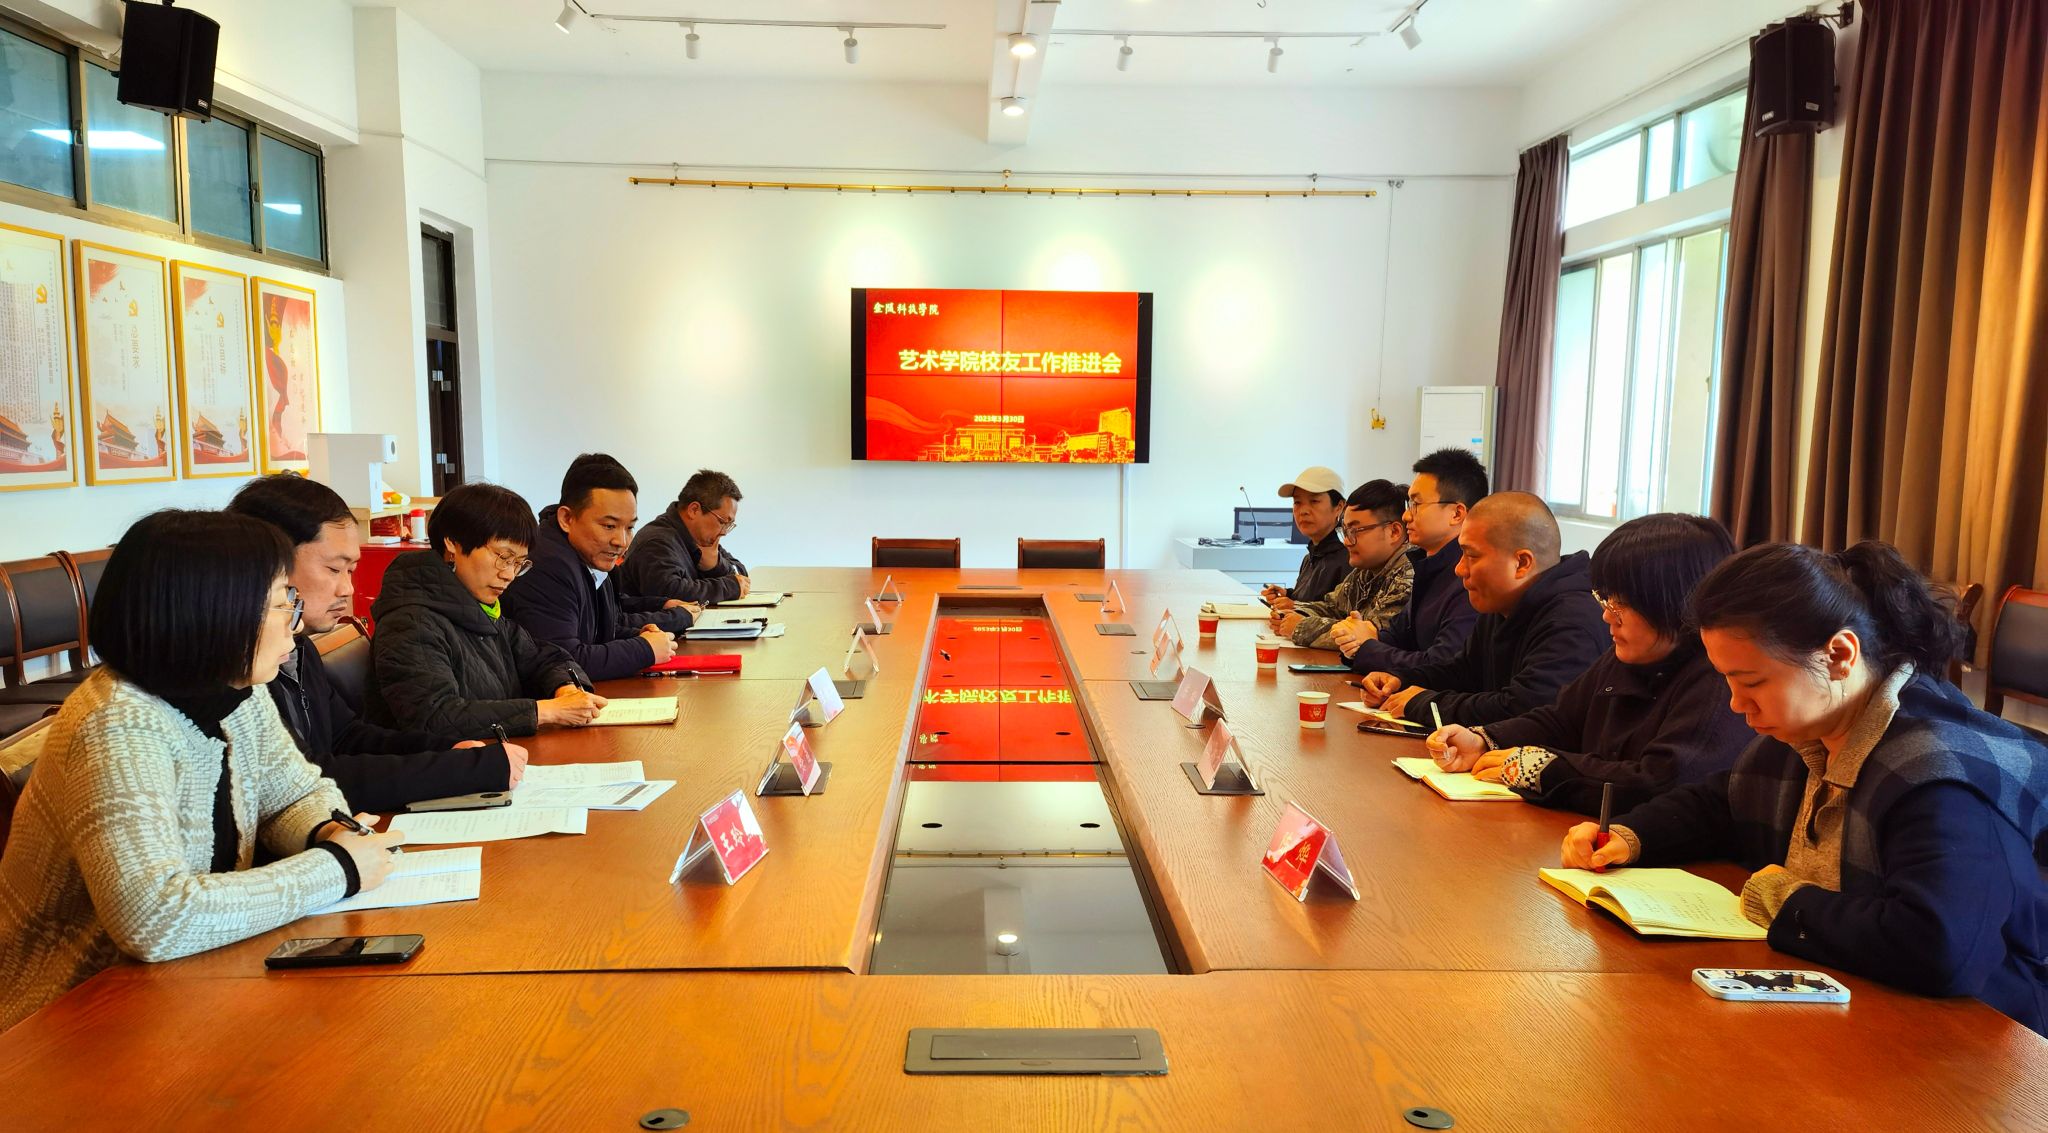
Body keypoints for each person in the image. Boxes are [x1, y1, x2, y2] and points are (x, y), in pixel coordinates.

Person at [1562, 541, 2048, 1035]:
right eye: (1727, 680)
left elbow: (1940, 946)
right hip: (1849, 1007)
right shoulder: (1812, 731)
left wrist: (1784, 899)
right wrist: (1629, 836)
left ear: (1839, 655)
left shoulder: (1937, 777)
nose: (1736, 704)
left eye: (1752, 682)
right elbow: (1721, 802)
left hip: (1977, 1039)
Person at [0, 511, 405, 1030]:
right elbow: (154, 917)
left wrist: (327, 830)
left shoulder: (236, 690)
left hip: (188, 985)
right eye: (283, 602)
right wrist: (338, 868)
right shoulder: (117, 725)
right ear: (217, 612)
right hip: (72, 1018)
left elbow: (294, 794)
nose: (297, 621)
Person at [228, 475, 530, 812]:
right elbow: (298, 779)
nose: (348, 590)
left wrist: (447, 750)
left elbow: (346, 737)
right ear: (269, 565)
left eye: (351, 571)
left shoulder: (299, 648)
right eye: (334, 569)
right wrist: (460, 769)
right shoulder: (238, 672)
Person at [1426, 513, 1753, 814]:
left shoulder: (1718, 679)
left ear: (1675, 604)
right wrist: (1484, 740)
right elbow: (1562, 719)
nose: (1607, 615)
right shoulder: (1630, 654)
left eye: (1621, 603)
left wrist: (1542, 769)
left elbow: (1659, 782)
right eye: (1606, 598)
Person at [365, 483, 606, 736]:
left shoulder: (481, 609)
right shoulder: (411, 623)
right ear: (453, 542)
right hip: (441, 759)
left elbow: (543, 657)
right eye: (503, 557)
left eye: (518, 563)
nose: (509, 574)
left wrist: (565, 687)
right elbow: (434, 717)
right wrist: (544, 712)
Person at [1356, 491, 1606, 727]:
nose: (1459, 569)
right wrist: (1401, 680)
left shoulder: (1572, 621)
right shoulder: (1503, 604)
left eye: (1472, 556)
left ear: (1521, 563)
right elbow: (1463, 671)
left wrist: (1424, 704)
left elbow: (1524, 710)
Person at [502, 454, 697, 682]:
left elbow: (602, 631)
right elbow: (562, 662)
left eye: (629, 527)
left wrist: (640, 636)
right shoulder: (548, 565)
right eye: (609, 526)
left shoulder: (591, 556)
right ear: (567, 518)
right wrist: (643, 649)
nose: (621, 541)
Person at [1338, 448, 1484, 675]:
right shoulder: (1428, 567)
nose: (1406, 515)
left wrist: (1367, 647)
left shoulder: (1470, 577)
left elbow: (1442, 665)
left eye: (1416, 504)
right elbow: (1398, 636)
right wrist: (1358, 637)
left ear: (1456, 514)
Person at [1269, 479, 1414, 649]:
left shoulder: (1410, 574)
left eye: (1355, 531)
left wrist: (1301, 627)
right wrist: (1292, 614)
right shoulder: (1365, 571)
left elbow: (1369, 635)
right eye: (1345, 531)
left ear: (1394, 532)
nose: (1346, 541)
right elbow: (1332, 606)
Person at [618, 469, 751, 606]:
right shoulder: (656, 542)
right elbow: (670, 593)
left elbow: (741, 575)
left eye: (729, 525)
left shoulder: (699, 538)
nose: (724, 532)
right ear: (694, 510)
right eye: (722, 522)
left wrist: (716, 565)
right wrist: (728, 587)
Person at [1259, 466, 1348, 606]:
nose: (1303, 511)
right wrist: (1288, 595)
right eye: (1297, 502)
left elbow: (1342, 614)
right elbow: (1312, 601)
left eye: (1314, 501)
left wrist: (1295, 607)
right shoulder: (1310, 557)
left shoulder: (1348, 560)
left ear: (1339, 507)